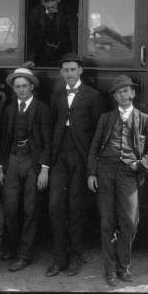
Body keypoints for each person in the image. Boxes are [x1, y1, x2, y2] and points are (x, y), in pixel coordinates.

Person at [87, 75, 148, 287]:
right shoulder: (106, 118)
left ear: (133, 93)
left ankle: (123, 266)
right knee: (107, 222)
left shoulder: (144, 119)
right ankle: (109, 271)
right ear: (115, 97)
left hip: (128, 174)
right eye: (118, 92)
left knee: (130, 222)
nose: (123, 95)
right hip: (105, 172)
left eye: (126, 91)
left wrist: (140, 164)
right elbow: (94, 148)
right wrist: (91, 173)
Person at [46, 53, 105, 277]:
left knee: (76, 208)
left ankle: (75, 258)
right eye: (65, 70)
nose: (69, 73)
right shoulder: (57, 94)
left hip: (81, 157)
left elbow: (98, 134)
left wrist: (92, 165)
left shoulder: (93, 95)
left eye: (73, 69)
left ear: (80, 71)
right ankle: (59, 259)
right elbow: (53, 124)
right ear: (61, 73)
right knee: (55, 207)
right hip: (59, 156)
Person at [0, 67, 52, 271]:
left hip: (33, 162)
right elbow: (5, 140)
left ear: (32, 87)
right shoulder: (10, 108)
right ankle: (12, 247)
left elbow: (48, 142)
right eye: (17, 87)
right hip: (12, 160)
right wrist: (2, 167)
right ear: (13, 89)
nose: (21, 90)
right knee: (10, 207)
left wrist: (44, 169)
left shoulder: (42, 109)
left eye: (24, 86)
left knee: (31, 209)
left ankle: (25, 254)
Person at [25, 0, 77, 67]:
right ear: (41, 2)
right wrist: (31, 59)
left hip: (65, 52)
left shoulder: (68, 11)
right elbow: (31, 38)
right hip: (43, 55)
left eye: (53, 0)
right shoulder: (35, 13)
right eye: (46, 1)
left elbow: (74, 35)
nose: (50, 5)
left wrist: (74, 58)